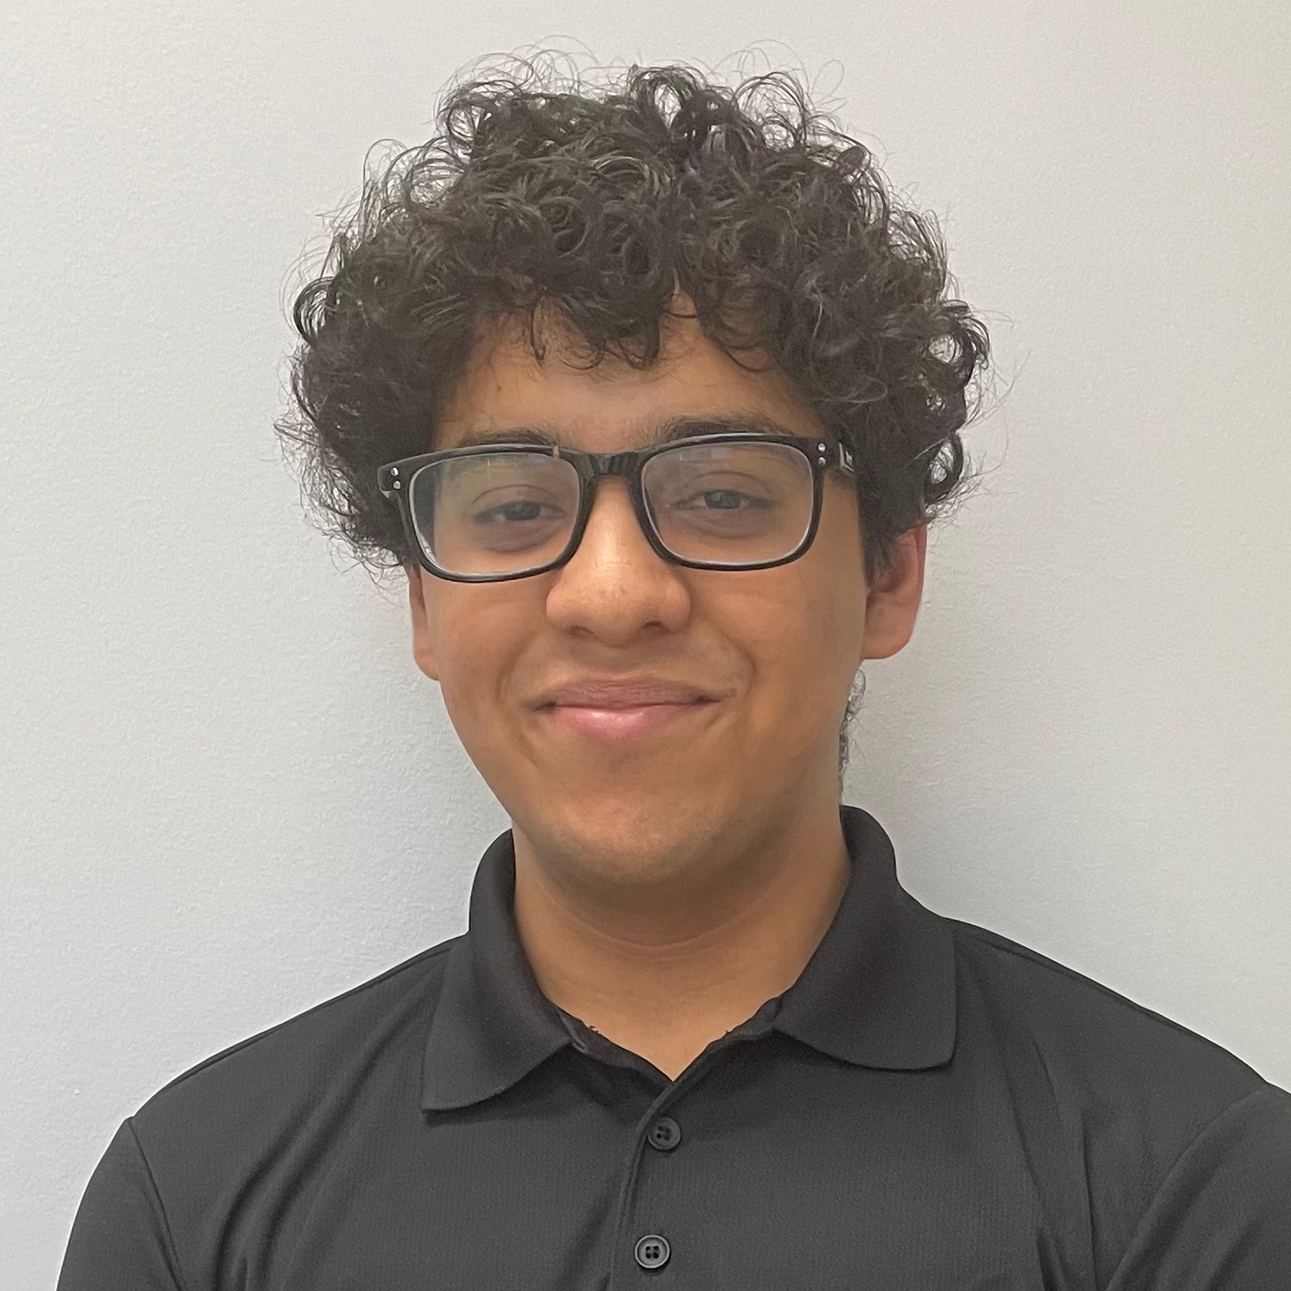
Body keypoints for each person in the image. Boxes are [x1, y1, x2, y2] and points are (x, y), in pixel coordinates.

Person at [57, 61, 1290, 1291]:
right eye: (514, 506)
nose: (610, 593)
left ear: (887, 576)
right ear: (425, 602)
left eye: (721, 496)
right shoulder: (193, 1206)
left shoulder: (1191, 1189)